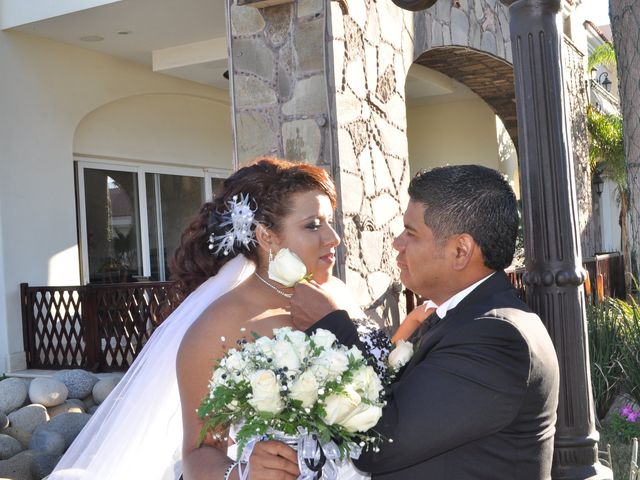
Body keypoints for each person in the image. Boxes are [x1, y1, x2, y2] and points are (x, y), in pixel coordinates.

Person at [51, 157, 394, 479]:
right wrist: (241, 473)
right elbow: (199, 451)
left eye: (330, 223)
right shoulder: (217, 326)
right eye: (313, 225)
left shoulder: (335, 293)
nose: (332, 238)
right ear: (266, 236)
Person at [262, 164, 560, 480]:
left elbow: (378, 444)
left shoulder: (497, 336)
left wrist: (331, 326)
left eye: (411, 232)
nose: (397, 243)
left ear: (460, 251)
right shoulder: (462, 316)